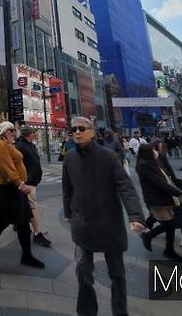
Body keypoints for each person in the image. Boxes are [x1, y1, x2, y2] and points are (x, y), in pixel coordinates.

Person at [62, 116, 145, 316]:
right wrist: (68, 213)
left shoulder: (108, 156)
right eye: (73, 130)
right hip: (82, 223)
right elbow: (67, 188)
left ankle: (119, 311)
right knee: (83, 272)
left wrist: (135, 215)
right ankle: (86, 311)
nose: (77, 133)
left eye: (82, 128)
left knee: (117, 274)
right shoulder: (69, 157)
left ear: (92, 131)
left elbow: (125, 186)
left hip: (109, 223)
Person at [0, 121, 45, 270]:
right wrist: (20, 183)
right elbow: (5, 167)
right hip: (4, 190)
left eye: (14, 130)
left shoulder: (9, 144)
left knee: (24, 222)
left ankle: (27, 256)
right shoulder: (0, 145)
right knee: (0, 223)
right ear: (4, 132)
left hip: (14, 190)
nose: (14, 132)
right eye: (11, 130)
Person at [144, 139, 182, 252]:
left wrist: (176, 183)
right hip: (163, 197)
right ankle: (149, 235)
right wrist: (176, 191)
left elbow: (169, 174)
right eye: (159, 148)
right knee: (174, 219)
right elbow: (159, 182)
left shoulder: (161, 159)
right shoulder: (149, 165)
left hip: (169, 196)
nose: (161, 150)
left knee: (178, 217)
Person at [136, 143, 182, 262]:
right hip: (157, 200)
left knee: (170, 225)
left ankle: (165, 247)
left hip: (164, 198)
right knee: (169, 225)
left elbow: (165, 178)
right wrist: (177, 192)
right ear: (148, 152)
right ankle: (151, 238)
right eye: (153, 150)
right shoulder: (144, 166)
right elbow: (159, 182)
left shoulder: (152, 163)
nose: (155, 151)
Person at [15, 127, 51, 248]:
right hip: (27, 182)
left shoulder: (30, 145)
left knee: (26, 206)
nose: (35, 135)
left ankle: (19, 224)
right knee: (33, 207)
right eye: (33, 133)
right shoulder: (20, 146)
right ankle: (38, 234)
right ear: (28, 135)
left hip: (32, 181)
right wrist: (22, 181)